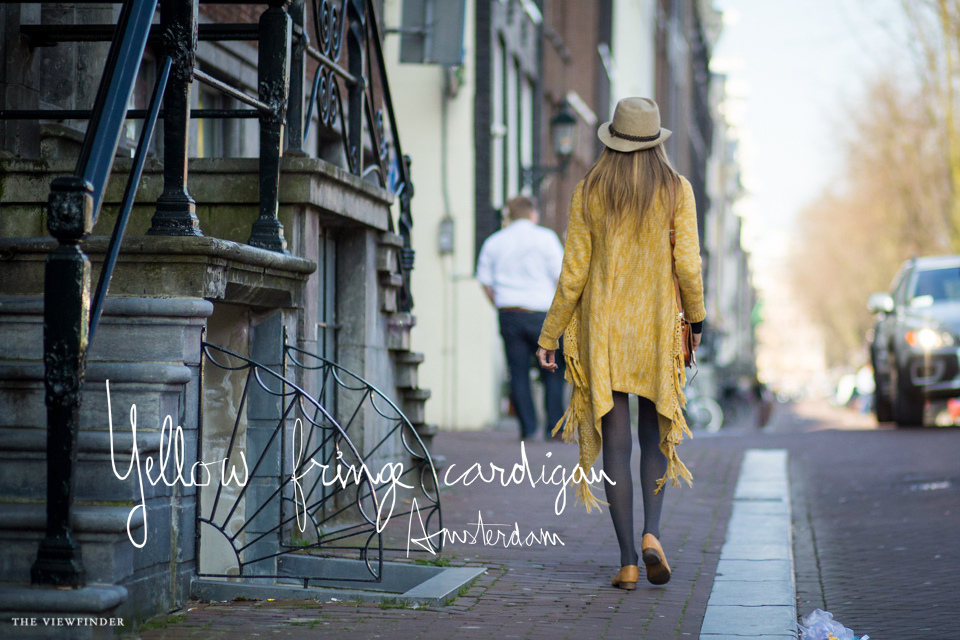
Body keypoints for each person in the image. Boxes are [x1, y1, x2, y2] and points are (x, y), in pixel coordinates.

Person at [535, 97, 705, 588]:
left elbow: (573, 274)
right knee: (654, 433)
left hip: (603, 330)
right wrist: (697, 319)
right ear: (656, 141)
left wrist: (550, 334)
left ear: (612, 138)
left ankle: (628, 560)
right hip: (655, 329)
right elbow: (688, 265)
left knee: (615, 439)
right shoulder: (677, 190)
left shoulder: (589, 190)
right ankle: (653, 534)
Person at [477, 196, 567, 440]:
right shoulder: (546, 238)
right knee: (552, 370)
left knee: (518, 372)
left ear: (509, 215)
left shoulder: (494, 242)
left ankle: (528, 428)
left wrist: (499, 304)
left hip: (509, 313)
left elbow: (485, 282)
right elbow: (560, 278)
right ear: (533, 213)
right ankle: (555, 427)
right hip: (542, 314)